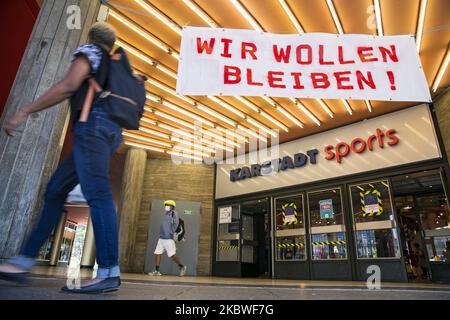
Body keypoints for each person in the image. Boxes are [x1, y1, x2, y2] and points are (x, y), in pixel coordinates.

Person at [0, 22, 122, 294]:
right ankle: (23, 260)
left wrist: (25, 111)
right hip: (110, 132)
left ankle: (108, 271)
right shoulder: (115, 65)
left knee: (98, 194)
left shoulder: (90, 52)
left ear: (91, 36)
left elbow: (69, 85)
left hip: (91, 126)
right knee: (55, 190)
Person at [149, 200, 187, 276]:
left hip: (168, 239)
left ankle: (182, 266)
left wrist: (171, 232)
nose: (166, 206)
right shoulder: (166, 213)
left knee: (172, 255)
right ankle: (157, 270)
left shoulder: (174, 213)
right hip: (161, 238)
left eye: (168, 205)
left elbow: (175, 224)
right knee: (157, 253)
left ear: (172, 207)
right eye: (165, 205)